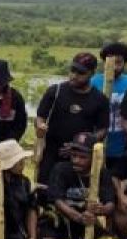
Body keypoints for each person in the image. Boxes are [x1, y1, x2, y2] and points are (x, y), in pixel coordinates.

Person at [34, 53, 109, 187]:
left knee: (73, 196)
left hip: (80, 159)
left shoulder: (100, 99)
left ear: (91, 73)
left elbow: (103, 129)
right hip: (51, 153)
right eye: (72, 70)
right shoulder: (55, 92)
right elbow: (40, 116)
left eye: (80, 73)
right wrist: (40, 126)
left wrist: (84, 143)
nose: (74, 75)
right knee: (44, 192)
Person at [39, 132, 117, 239]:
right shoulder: (61, 169)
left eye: (82, 157)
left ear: (93, 157)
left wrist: (102, 209)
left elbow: (110, 203)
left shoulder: (102, 174)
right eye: (74, 156)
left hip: (88, 220)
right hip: (60, 219)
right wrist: (79, 217)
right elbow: (58, 201)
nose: (76, 160)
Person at [89, 42, 127, 169]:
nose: (115, 67)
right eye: (111, 62)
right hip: (97, 144)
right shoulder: (93, 82)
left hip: (124, 144)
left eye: (119, 63)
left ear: (125, 63)